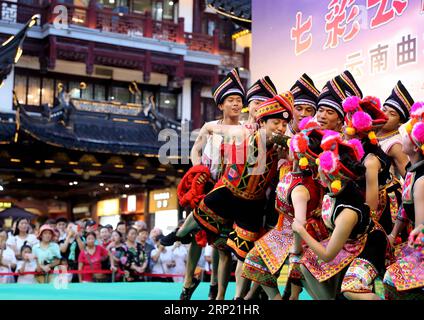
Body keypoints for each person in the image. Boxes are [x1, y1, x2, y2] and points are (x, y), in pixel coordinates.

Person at [294, 131, 391, 300]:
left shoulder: (347, 212)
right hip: (348, 243)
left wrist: (301, 231)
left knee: (352, 289)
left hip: (369, 245)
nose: (316, 171)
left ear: (329, 175)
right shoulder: (335, 190)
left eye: (319, 167)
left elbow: (328, 255)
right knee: (304, 264)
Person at [242, 118, 329, 300]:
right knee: (255, 261)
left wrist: (295, 253)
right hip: (285, 230)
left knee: (256, 261)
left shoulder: (300, 188)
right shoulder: (299, 176)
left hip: (294, 237)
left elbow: (300, 224)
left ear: (297, 155)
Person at [383, 102, 424, 299]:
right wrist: (392, 235)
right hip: (415, 241)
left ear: (415, 146)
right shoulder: (411, 171)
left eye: (404, 137)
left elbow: (422, 227)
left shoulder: (422, 180)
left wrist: (412, 259)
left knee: (392, 279)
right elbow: (404, 210)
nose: (400, 140)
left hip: (421, 245)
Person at [343, 95, 399, 236]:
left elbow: (372, 208)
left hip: (382, 208)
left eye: (346, 126)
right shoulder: (357, 147)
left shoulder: (370, 162)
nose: (343, 129)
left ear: (352, 130)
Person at [377, 81, 414, 178]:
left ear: (400, 122)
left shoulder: (395, 145)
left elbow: (408, 177)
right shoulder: (373, 131)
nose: (385, 115)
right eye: (384, 110)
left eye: (392, 114)